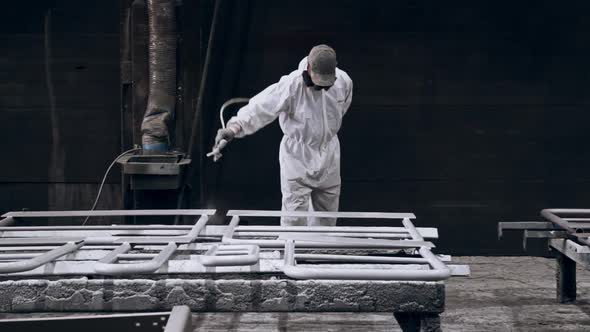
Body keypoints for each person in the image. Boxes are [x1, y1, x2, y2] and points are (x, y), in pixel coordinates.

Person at [214, 45, 353, 226]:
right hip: (297, 157)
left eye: (327, 84)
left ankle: (320, 252)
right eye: (319, 83)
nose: (322, 88)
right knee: (294, 218)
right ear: (309, 69)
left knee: (327, 216)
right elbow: (260, 108)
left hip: (329, 153)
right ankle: (293, 251)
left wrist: (324, 133)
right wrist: (234, 128)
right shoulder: (291, 85)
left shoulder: (343, 82)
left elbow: (341, 108)